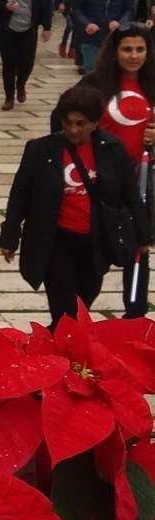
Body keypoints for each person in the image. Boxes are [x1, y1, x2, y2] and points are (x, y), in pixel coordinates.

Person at [0, 84, 149, 327]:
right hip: (56, 241)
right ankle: (62, 358)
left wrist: (142, 236)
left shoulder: (113, 150)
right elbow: (20, 195)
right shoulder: (41, 150)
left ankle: (54, 348)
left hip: (94, 243)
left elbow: (130, 195)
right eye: (68, 122)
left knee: (81, 306)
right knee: (65, 311)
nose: (73, 129)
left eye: (80, 124)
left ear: (95, 122)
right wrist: (9, 235)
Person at [58, 25, 155, 317]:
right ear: (114, 51)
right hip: (103, 180)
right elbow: (66, 123)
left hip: (143, 180)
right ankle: (76, 309)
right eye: (127, 49)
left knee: (140, 243)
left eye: (140, 49)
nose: (134, 56)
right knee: (96, 242)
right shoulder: (94, 85)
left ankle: (135, 312)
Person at [0, 0, 51, 110]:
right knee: (9, 64)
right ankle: (9, 97)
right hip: (8, 30)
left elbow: (44, 6)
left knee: (27, 63)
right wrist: (5, 7)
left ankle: (21, 85)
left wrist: (46, 27)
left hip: (28, 29)